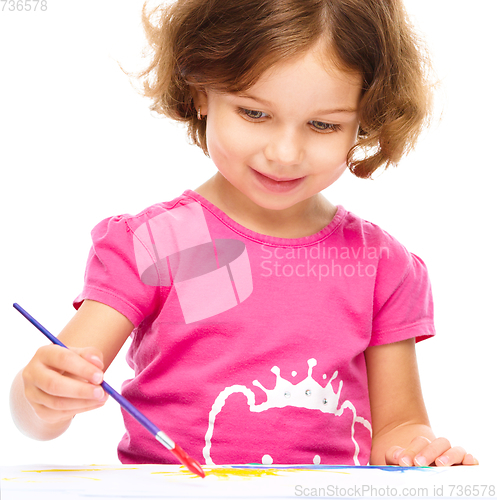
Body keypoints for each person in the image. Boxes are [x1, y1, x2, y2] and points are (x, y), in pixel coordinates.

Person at [10, 0, 478, 467]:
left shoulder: (379, 266)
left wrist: (422, 455)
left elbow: (399, 427)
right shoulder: (161, 244)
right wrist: (43, 397)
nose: (285, 152)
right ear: (199, 91)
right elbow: (40, 412)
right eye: (254, 114)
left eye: (323, 124)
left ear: (367, 118)